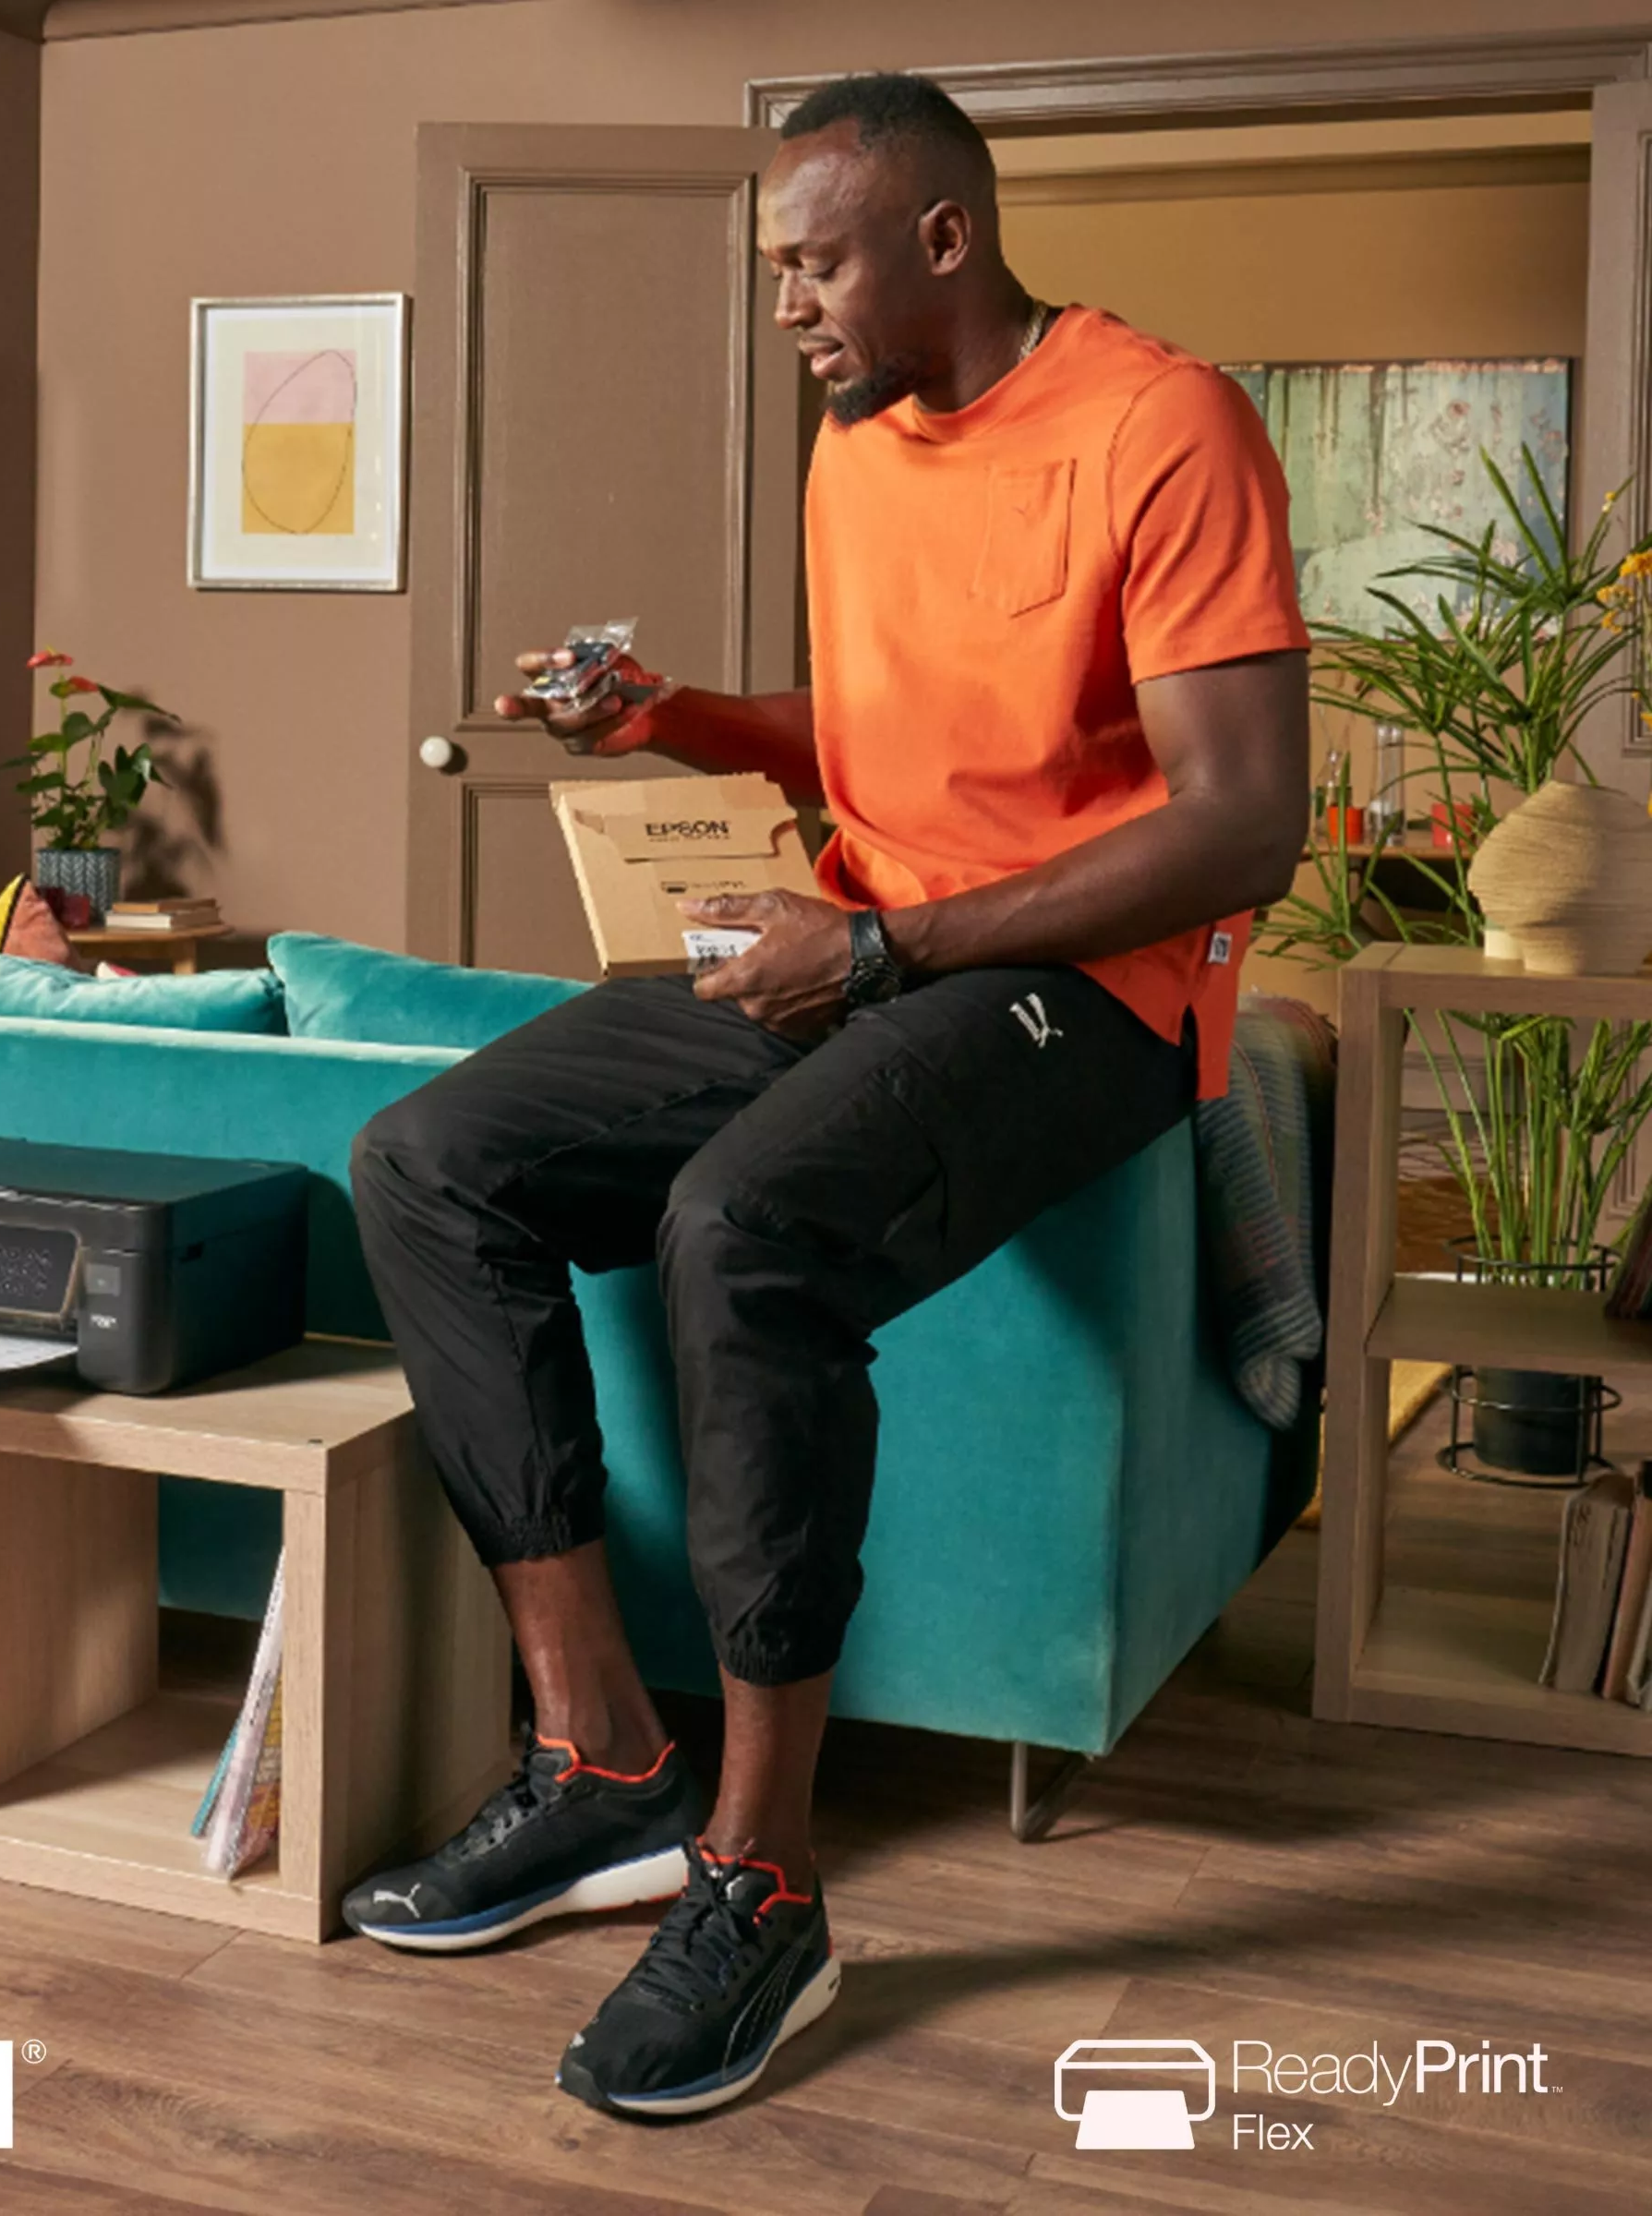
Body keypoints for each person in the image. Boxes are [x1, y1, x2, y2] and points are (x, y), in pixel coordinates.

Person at [341, 71, 1311, 2119]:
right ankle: (601, 1755)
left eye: (815, 260)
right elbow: (883, 742)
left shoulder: (1165, 426)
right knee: (433, 1158)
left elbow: (1242, 829)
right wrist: (674, 715)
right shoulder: (858, 443)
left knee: (742, 1223)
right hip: (874, 941)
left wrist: (877, 956)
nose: (787, 303)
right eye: (779, 267)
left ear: (941, 238)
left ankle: (765, 1879)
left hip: (1090, 995)